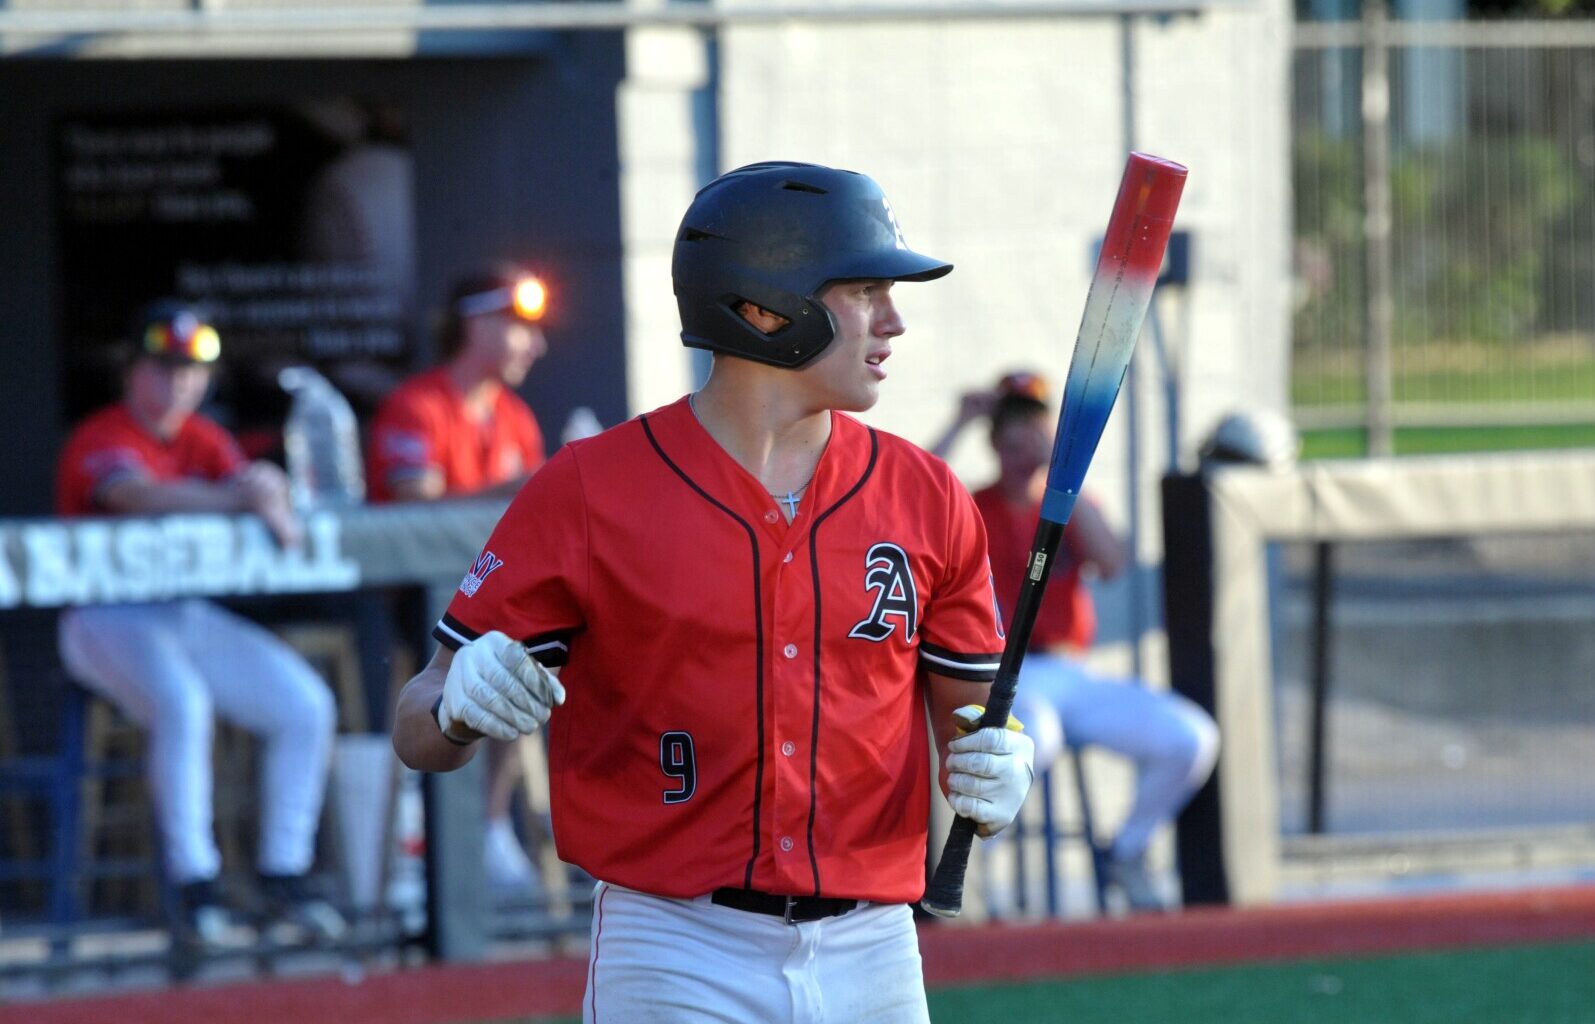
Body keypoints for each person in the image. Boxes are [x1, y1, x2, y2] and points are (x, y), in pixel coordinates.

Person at [394, 161, 1034, 1022]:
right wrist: (455, 705)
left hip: (874, 948)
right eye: (865, 291)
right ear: (766, 308)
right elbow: (417, 724)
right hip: (673, 944)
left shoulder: (929, 494)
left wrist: (1000, 766)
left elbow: (973, 720)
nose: (895, 321)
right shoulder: (591, 487)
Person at [55, 300, 347, 949]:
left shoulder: (200, 437)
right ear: (132, 370)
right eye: (164, 368)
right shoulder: (101, 434)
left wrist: (264, 485)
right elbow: (135, 498)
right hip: (100, 614)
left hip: (179, 612)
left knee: (305, 704)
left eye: (191, 371)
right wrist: (237, 496)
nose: (180, 382)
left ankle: (283, 875)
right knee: (183, 706)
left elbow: (254, 482)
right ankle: (196, 889)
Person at [932, 371, 1220, 912]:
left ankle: (1128, 851)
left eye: (1034, 427)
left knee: (1191, 737)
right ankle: (973, 879)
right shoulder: (972, 503)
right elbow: (911, 500)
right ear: (994, 439)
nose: (1024, 441)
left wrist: (1066, 470)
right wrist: (962, 420)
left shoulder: (1067, 502)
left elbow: (1113, 561)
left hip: (1070, 671)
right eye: (1012, 428)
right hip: (1004, 675)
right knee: (1032, 736)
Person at [368, 267, 551, 892]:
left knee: (533, 659)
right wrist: (528, 485)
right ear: (478, 324)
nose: (536, 344)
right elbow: (413, 511)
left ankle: (490, 827)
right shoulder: (416, 405)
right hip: (408, 611)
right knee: (478, 656)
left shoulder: (515, 416)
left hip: (489, 605)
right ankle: (411, 851)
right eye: (521, 327)